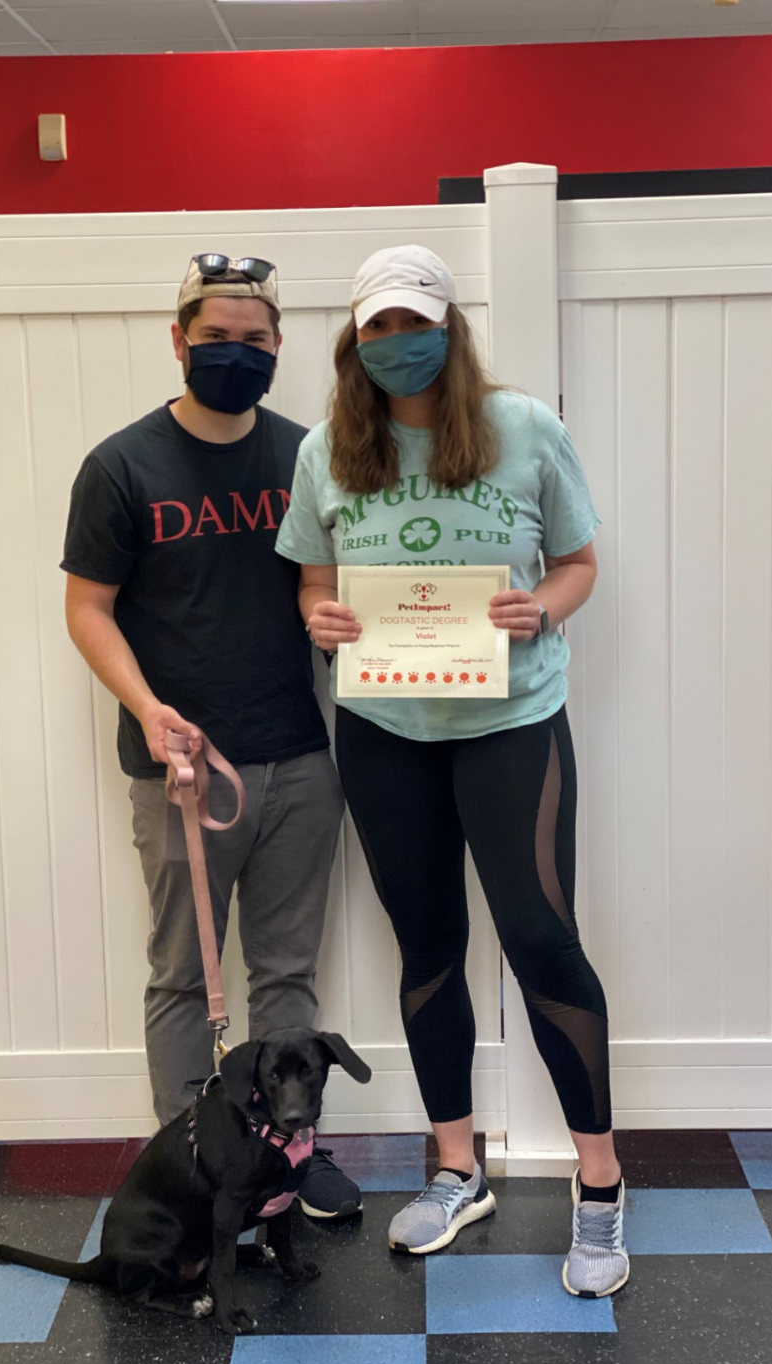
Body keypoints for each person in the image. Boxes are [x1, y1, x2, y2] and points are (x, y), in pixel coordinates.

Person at [275, 245, 629, 1295]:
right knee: (426, 944)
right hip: (385, 728)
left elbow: (577, 564)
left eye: (412, 323)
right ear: (353, 338)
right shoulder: (327, 449)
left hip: (511, 721)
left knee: (539, 938)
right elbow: (311, 586)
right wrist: (319, 616)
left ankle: (600, 1185)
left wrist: (542, 608)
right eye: (376, 327)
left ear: (448, 326)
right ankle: (453, 1166)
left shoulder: (523, 428)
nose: (396, 343)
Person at [61, 253, 360, 1219]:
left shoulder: (307, 456)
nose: (235, 354)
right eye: (216, 338)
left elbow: (334, 584)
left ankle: (291, 1161)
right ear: (178, 338)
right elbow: (88, 609)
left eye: (255, 340)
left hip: (301, 759)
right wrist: (148, 710)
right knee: (184, 975)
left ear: (279, 348)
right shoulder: (120, 465)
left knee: (285, 975)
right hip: (181, 772)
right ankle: (189, 1164)